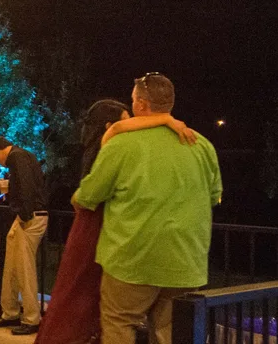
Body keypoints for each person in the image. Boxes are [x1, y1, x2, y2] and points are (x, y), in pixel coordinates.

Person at [74, 74, 222, 344]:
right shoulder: (202, 145)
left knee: (119, 323)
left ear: (141, 104)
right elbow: (214, 196)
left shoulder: (122, 144)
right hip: (186, 261)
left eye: (133, 101)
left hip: (131, 259)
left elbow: (88, 196)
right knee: (170, 333)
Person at [35, 100, 195, 344]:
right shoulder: (112, 145)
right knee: (92, 296)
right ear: (109, 125)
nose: (134, 124)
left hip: (88, 229)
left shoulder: (100, 150)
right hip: (99, 229)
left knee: (78, 293)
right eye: (127, 119)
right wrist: (165, 119)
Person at [0, 136, 49, 335]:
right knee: (12, 266)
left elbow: (26, 186)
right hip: (29, 216)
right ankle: (10, 313)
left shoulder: (16, 157)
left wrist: (24, 214)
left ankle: (31, 319)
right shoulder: (24, 155)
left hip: (29, 217)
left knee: (23, 269)